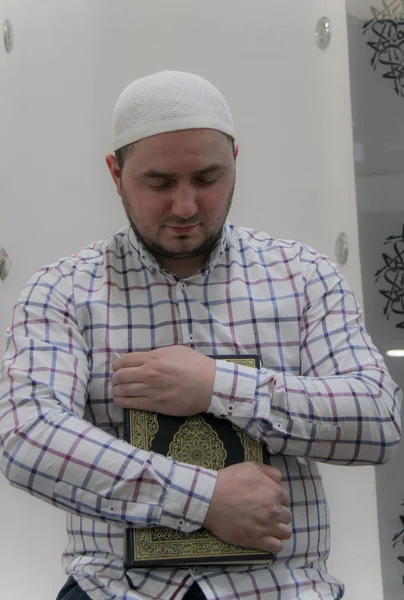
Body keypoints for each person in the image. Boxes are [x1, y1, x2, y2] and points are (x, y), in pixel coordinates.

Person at [0, 70, 401, 600]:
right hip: (114, 588)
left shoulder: (304, 276)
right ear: (115, 174)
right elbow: (27, 437)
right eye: (160, 183)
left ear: (236, 160)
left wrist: (217, 385)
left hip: (281, 588)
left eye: (208, 179)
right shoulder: (63, 290)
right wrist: (206, 498)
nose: (186, 207)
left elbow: (378, 419)